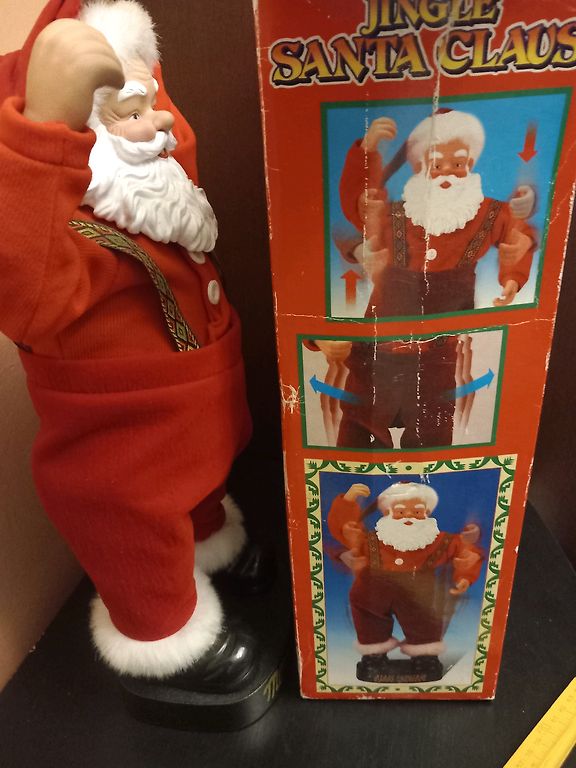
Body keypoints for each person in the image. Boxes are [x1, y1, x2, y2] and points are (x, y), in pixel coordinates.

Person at [0, 0, 269, 702]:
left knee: (198, 486)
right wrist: (41, 131)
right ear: (82, 133)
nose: (157, 126)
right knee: (136, 533)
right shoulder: (59, 227)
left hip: (194, 414)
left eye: (153, 106)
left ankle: (207, 541)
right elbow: (20, 281)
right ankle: (164, 635)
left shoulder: (148, 189)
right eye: (128, 115)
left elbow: (169, 150)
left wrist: (134, 88)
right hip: (122, 446)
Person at [310, 109, 536, 449]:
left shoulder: (489, 214)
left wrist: (512, 278)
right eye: (437, 164)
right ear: (421, 168)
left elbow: (517, 234)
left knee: (433, 425)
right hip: (379, 350)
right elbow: (359, 207)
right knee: (360, 421)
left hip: (437, 355)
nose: (447, 173)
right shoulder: (397, 215)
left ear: (470, 164)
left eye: (457, 163)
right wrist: (366, 153)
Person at [328, 481, 484, 683]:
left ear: (427, 513)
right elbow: (345, 530)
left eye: (417, 512)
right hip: (372, 591)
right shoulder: (370, 541)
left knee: (425, 621)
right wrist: (348, 502)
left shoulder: (439, 541)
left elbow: (464, 553)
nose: (409, 516)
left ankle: (425, 657)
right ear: (387, 513)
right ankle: (374, 657)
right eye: (400, 512)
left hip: (419, 591)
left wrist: (464, 577)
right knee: (369, 622)